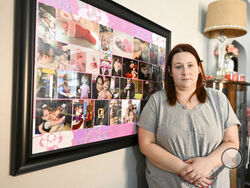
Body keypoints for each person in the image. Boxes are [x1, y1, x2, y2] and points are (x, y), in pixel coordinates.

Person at [137, 44, 240, 188]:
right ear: (170, 71)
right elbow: (146, 145)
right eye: (178, 67)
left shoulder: (219, 100)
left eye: (190, 65)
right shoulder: (156, 101)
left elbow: (232, 144)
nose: (185, 71)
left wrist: (208, 163)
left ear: (199, 68)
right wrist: (184, 169)